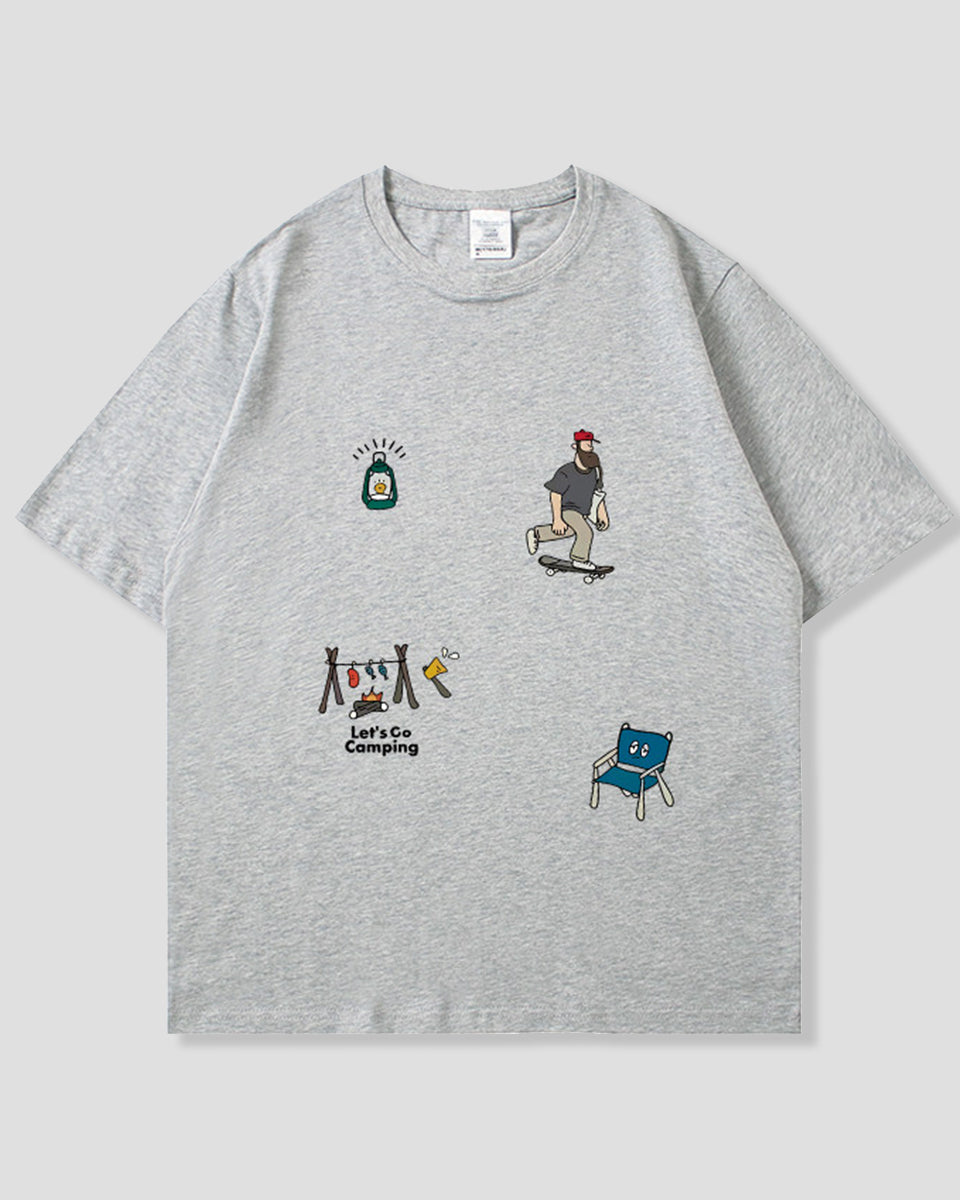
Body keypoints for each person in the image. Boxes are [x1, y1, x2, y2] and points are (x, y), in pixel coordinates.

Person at [526, 430, 609, 569]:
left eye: (591, 444)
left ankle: (537, 534)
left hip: (582, 512)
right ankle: (580, 559)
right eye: (586, 444)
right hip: (568, 510)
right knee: (585, 532)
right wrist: (557, 519)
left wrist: (602, 515)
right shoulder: (566, 472)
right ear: (575, 447)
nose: (590, 448)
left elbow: (597, 494)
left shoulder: (593, 472)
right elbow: (555, 495)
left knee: (568, 531)